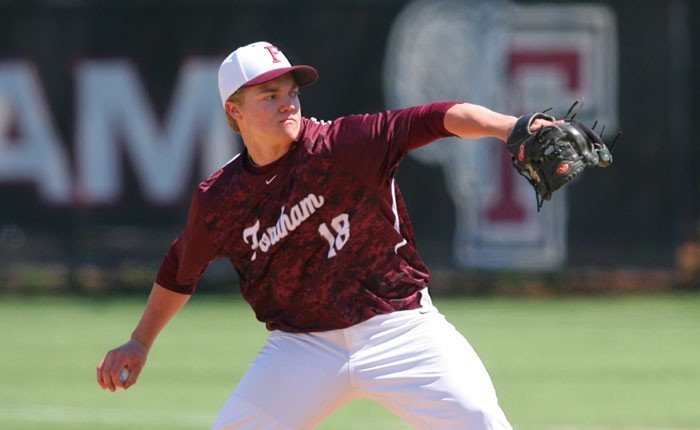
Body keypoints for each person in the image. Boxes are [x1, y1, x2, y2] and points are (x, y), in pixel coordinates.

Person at [97, 41, 556, 430]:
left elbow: (435, 118)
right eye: (270, 95)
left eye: (292, 93)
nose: (288, 103)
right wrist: (140, 341)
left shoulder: (342, 145)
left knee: (481, 420)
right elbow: (181, 269)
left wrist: (509, 128)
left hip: (400, 329)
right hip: (301, 347)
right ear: (234, 111)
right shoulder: (221, 198)